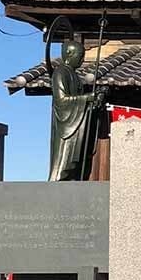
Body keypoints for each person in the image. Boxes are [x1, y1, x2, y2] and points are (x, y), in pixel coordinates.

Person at [48, 40, 103, 181]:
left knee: (78, 164)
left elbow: (80, 99)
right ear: (69, 54)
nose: (82, 59)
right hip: (66, 125)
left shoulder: (76, 76)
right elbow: (62, 100)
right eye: (80, 55)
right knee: (63, 161)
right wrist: (85, 98)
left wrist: (93, 102)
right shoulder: (60, 73)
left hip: (77, 123)